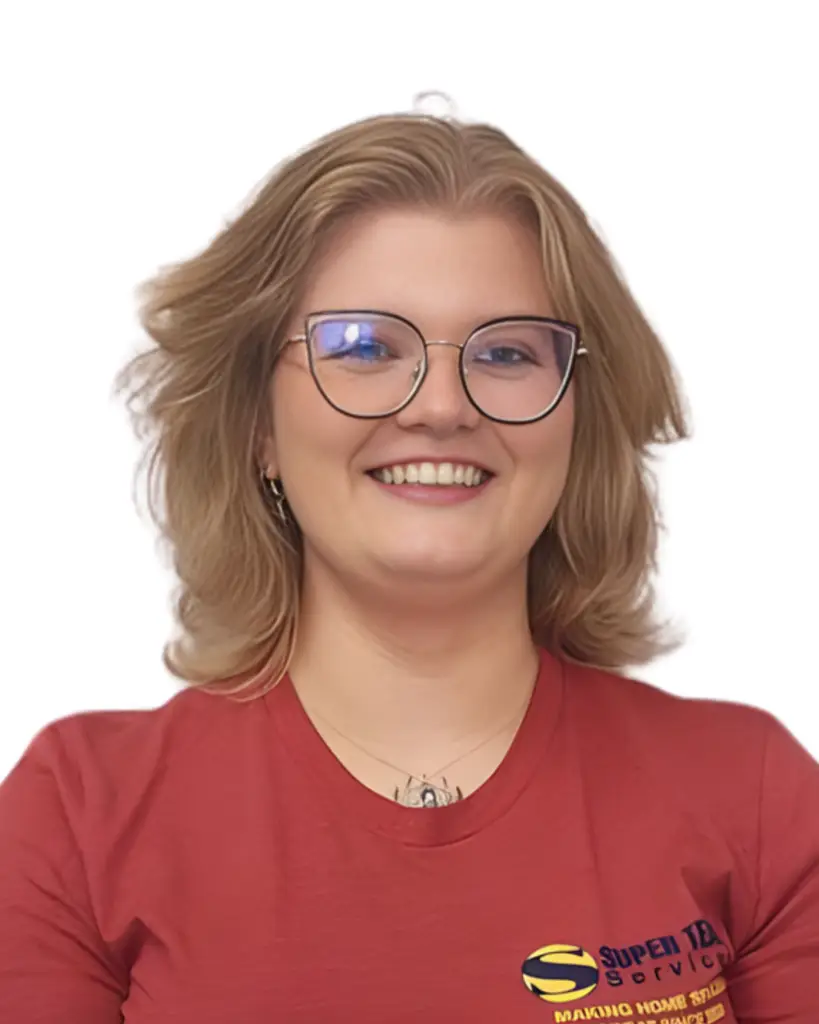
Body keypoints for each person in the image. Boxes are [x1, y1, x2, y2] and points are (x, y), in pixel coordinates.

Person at [1, 95, 817, 1024]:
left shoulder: (756, 797)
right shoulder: (76, 814)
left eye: (506, 351)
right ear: (258, 426)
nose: (439, 406)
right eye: (362, 345)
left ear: (574, 419)